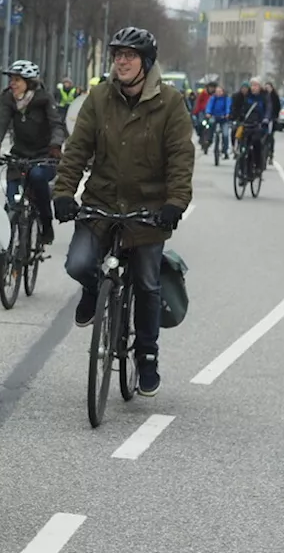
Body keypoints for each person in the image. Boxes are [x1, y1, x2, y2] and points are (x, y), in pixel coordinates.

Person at [53, 27, 194, 397]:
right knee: (78, 264)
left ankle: (146, 355)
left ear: (146, 63)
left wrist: (175, 203)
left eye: (130, 55)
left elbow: (181, 156)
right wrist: (64, 192)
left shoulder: (170, 102)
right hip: (100, 203)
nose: (122, 61)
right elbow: (78, 148)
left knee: (147, 283)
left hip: (148, 211)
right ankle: (93, 289)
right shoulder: (99, 97)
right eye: (117, 55)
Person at [0, 59, 65, 244]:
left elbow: (57, 125)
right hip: (19, 154)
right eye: (11, 80)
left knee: (38, 178)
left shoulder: (44, 99)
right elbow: (1, 123)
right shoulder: (8, 98)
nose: (12, 84)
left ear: (29, 83)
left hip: (43, 156)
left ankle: (46, 225)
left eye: (17, 80)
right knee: (11, 202)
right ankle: (8, 243)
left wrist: (55, 146)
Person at [206, 85, 233, 157]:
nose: (218, 93)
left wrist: (227, 114)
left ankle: (225, 149)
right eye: (217, 91)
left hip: (223, 118)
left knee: (225, 134)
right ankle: (209, 139)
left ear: (223, 92)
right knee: (210, 125)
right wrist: (208, 112)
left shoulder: (226, 99)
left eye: (220, 91)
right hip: (214, 116)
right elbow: (209, 106)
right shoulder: (213, 98)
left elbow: (228, 107)